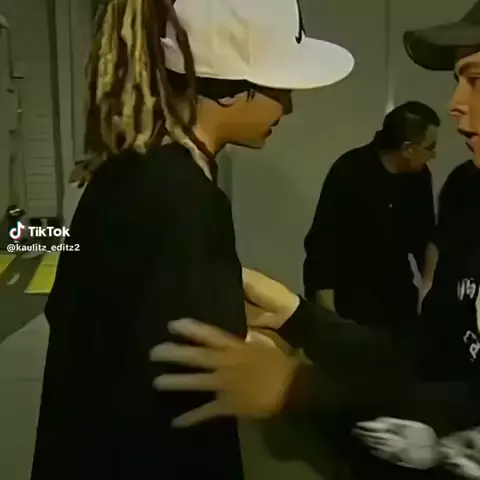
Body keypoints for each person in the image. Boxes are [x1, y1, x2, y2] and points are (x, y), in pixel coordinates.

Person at [149, 2, 480, 479]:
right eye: (458, 80)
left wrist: (300, 389)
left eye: (476, 80)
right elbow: (427, 361)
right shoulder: (465, 192)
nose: (455, 103)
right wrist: (301, 318)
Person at [30, 0, 354, 479]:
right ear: (229, 89)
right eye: (279, 86)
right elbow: (190, 381)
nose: (287, 105)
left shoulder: (124, 173)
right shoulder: (184, 198)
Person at [304, 102, 438, 337]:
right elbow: (323, 248)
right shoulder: (350, 171)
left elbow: (425, 237)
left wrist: (428, 292)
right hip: (350, 304)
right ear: (408, 149)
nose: (434, 155)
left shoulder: (419, 177)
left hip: (398, 302)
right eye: (429, 148)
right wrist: (330, 320)